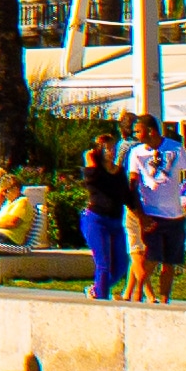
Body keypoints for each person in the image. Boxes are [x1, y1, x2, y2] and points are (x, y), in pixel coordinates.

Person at [123, 120, 186, 305]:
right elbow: (133, 183)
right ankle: (139, 294)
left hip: (175, 214)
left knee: (169, 262)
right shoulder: (136, 153)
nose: (135, 134)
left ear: (151, 131)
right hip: (151, 213)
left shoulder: (175, 148)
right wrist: (141, 215)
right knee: (151, 258)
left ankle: (164, 299)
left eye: (138, 131)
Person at [79, 129, 132, 301]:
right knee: (103, 264)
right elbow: (91, 178)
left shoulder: (119, 171)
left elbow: (127, 196)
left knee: (121, 265)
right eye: (106, 148)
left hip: (115, 220)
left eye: (112, 148)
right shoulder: (95, 170)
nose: (111, 152)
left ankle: (96, 289)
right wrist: (90, 157)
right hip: (96, 219)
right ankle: (102, 300)